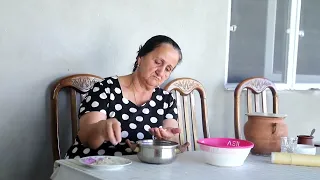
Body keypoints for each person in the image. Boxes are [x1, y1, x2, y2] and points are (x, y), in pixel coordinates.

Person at [65, 35, 189, 159]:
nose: (161, 72)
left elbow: (174, 137)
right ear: (140, 58)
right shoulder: (106, 88)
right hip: (93, 165)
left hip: (139, 169)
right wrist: (101, 129)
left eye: (168, 69)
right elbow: (86, 138)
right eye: (157, 62)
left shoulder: (166, 99)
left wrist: (168, 139)